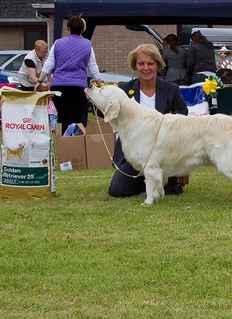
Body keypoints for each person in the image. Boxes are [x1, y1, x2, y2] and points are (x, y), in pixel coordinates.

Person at [108, 43, 190, 197]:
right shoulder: (124, 90)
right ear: (135, 65)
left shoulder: (171, 90)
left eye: (150, 63)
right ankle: (145, 183)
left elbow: (184, 126)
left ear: (158, 65)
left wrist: (184, 164)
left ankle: (160, 183)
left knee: (168, 191)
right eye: (141, 64)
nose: (146, 68)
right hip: (134, 157)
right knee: (117, 191)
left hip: (165, 157)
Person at [35, 16, 103, 134]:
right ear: (83, 29)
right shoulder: (87, 45)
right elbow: (93, 69)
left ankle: (63, 142)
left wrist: (39, 81)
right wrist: (101, 86)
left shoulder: (58, 43)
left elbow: (49, 64)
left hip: (58, 86)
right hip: (78, 87)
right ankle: (73, 142)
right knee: (76, 119)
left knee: (62, 116)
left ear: (68, 29)